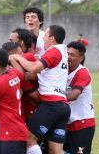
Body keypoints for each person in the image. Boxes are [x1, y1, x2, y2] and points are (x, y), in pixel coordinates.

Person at [11, 25, 70, 154]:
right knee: (55, 150)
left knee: (28, 138)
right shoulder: (63, 51)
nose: (43, 38)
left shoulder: (54, 51)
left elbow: (33, 68)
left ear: (52, 38)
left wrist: (16, 57)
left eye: (45, 36)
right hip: (63, 106)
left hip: (51, 104)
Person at [64, 41, 95, 154]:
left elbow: (74, 95)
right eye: (67, 53)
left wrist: (53, 98)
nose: (68, 57)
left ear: (81, 58)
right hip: (68, 123)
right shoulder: (63, 71)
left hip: (82, 124)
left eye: (72, 55)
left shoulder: (82, 72)